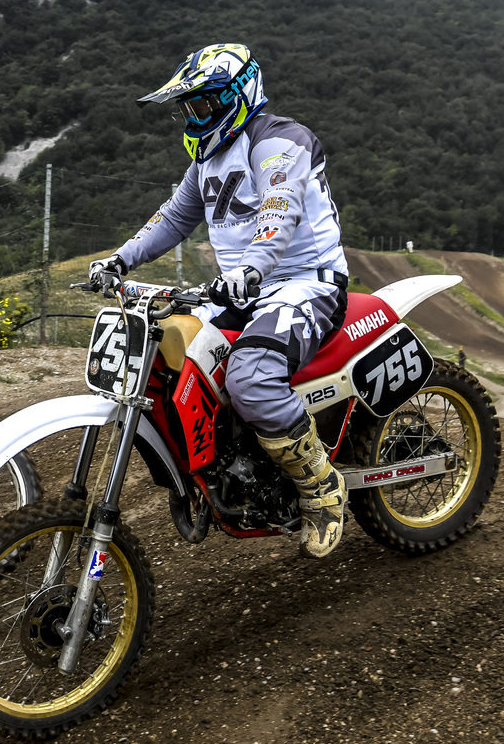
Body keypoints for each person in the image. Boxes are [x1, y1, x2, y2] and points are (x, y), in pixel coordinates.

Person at [86, 43, 351, 558]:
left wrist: (251, 269)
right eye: (188, 107)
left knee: (250, 377)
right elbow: (171, 219)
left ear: (237, 95)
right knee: (169, 355)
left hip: (304, 284)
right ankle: (215, 473)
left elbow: (278, 209)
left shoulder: (281, 140)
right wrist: (118, 261)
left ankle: (321, 487)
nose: (194, 116)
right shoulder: (206, 161)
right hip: (245, 290)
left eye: (203, 104)